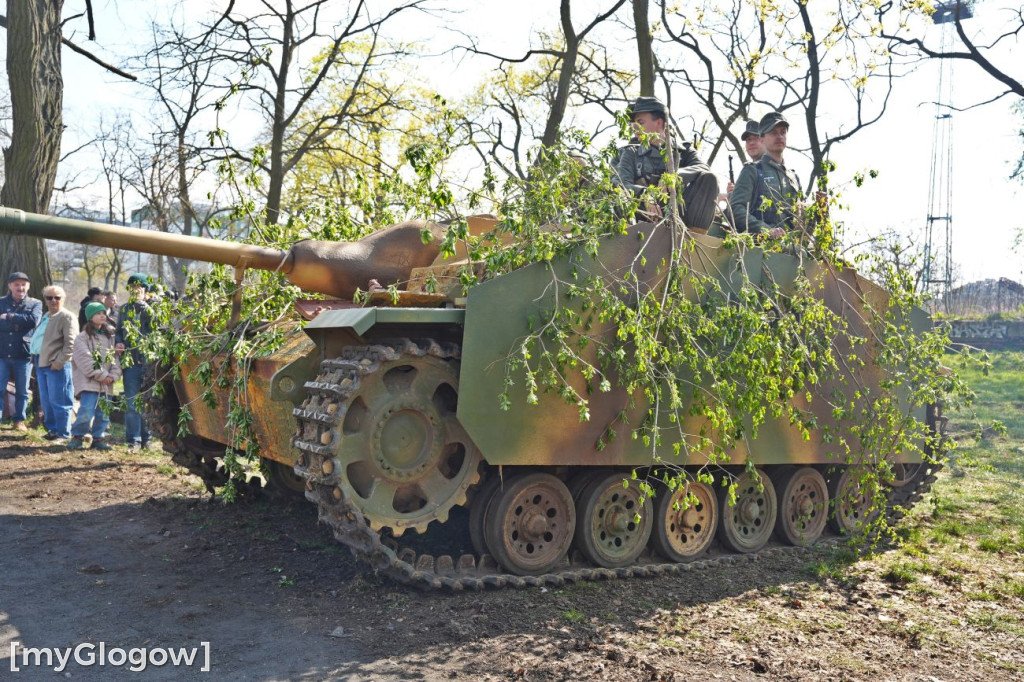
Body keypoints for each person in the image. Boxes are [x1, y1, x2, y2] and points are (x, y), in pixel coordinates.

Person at [615, 96, 720, 232]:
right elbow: (621, 184)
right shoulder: (631, 153)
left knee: (709, 178)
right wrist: (645, 194)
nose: (635, 127)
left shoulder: (684, 151)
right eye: (635, 123)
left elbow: (703, 168)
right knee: (618, 193)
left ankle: (694, 238)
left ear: (659, 122)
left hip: (679, 215)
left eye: (641, 122)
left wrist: (672, 177)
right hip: (645, 216)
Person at [729, 111, 804, 240]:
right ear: (762, 138)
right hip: (761, 250)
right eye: (774, 133)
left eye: (783, 132)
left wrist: (819, 210)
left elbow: (802, 224)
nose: (779, 136)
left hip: (792, 251)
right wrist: (766, 230)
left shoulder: (793, 177)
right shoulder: (752, 171)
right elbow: (735, 209)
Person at [69, 302, 121, 451]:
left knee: (103, 413)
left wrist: (113, 376)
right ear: (90, 317)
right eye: (98, 313)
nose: (102, 316)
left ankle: (98, 438)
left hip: (107, 383)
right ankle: (77, 437)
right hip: (89, 382)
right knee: (86, 411)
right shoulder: (82, 338)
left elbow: (116, 358)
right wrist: (101, 375)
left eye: (103, 313)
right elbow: (85, 360)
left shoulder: (110, 337)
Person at [0, 271, 43, 431]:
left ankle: (19, 420)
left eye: (23, 284)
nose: (20, 287)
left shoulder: (35, 303)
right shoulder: (1, 302)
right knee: (0, 388)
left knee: (22, 390)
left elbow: (33, 321)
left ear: (28, 286)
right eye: (16, 284)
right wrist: (19, 323)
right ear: (10, 286)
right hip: (2, 352)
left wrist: (9, 317)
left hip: (23, 353)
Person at [35, 285, 78, 443]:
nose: (53, 300)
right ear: (45, 300)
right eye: (49, 297)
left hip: (56, 364)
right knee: (47, 400)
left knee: (60, 400)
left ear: (63, 299)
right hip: (41, 362)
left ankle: (63, 434)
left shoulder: (67, 316)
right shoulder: (47, 315)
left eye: (57, 297)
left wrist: (59, 363)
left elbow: (71, 344)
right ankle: (53, 430)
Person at [115, 273, 153, 450]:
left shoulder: (154, 307)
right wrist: (119, 342)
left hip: (150, 363)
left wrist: (144, 307)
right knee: (132, 402)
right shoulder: (123, 309)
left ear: (145, 289)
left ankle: (147, 439)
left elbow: (157, 327)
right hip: (131, 363)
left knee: (149, 402)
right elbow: (118, 331)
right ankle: (133, 440)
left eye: (139, 287)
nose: (136, 290)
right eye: (132, 287)